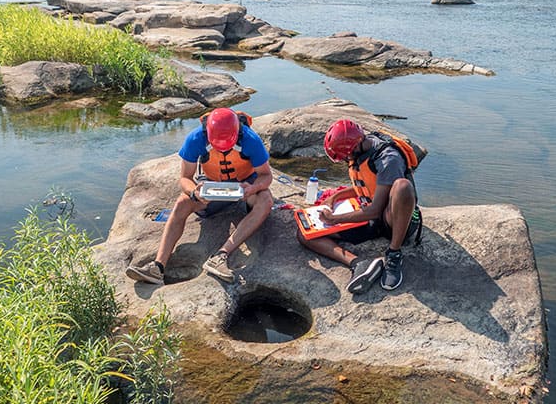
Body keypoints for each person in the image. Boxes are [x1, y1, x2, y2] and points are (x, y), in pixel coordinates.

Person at [126, 108, 274, 285]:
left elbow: (266, 176)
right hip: (212, 187)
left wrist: (253, 188)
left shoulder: (250, 139)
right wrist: (194, 192)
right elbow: (185, 178)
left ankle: (221, 256)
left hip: (245, 187)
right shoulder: (196, 138)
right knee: (182, 203)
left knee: (266, 200)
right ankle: (157, 267)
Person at [298, 119, 422, 293]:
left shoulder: (388, 158)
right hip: (372, 218)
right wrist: (334, 198)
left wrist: (334, 219)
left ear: (354, 148)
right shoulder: (362, 149)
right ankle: (359, 264)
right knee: (306, 234)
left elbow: (375, 210)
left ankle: (394, 254)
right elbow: (366, 186)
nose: (346, 161)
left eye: (346, 157)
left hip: (393, 219)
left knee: (402, 186)